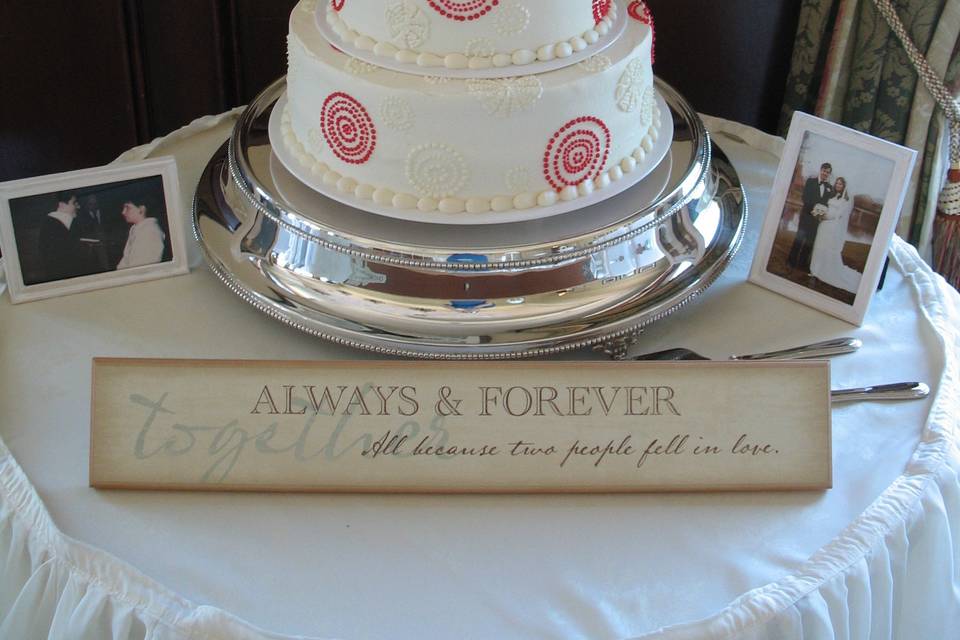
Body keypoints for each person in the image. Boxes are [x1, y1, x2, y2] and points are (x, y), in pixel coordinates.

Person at [809, 177, 863, 294]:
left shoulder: (845, 200)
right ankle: (815, 269)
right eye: (837, 183)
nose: (838, 185)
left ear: (844, 186)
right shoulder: (832, 196)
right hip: (823, 224)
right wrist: (820, 212)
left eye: (840, 184)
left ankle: (825, 270)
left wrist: (827, 217)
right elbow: (827, 208)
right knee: (819, 246)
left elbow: (839, 215)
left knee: (827, 247)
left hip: (832, 225)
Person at [787, 162, 834, 272]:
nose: (825, 174)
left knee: (810, 242)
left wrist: (822, 211)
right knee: (799, 239)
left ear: (829, 174)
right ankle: (791, 261)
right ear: (820, 170)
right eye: (824, 171)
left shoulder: (829, 188)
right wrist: (815, 208)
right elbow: (805, 198)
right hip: (806, 216)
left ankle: (802, 263)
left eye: (828, 172)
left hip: (817, 220)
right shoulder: (811, 182)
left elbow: (827, 203)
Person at [37, 190, 86, 282]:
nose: (79, 206)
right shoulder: (51, 226)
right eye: (74, 203)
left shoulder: (65, 224)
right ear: (62, 204)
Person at [116, 199, 166, 270]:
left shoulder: (150, 232)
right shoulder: (135, 229)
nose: (123, 212)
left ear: (141, 209)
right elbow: (126, 260)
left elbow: (140, 267)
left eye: (127, 208)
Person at [75, 193, 111, 272]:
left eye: (95, 203)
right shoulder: (82, 216)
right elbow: (83, 232)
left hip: (108, 244)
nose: (93, 206)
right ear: (87, 204)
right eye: (90, 204)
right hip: (93, 247)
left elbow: (111, 227)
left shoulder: (107, 212)